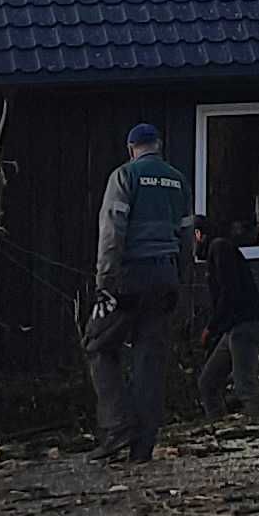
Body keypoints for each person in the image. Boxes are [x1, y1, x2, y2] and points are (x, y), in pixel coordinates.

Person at [84, 120, 194, 460]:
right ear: (158, 145)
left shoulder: (124, 176)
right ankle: (143, 445)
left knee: (98, 344)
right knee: (150, 360)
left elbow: (112, 231)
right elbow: (187, 237)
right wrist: (182, 278)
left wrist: (105, 280)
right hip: (165, 278)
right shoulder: (178, 180)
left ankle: (117, 427)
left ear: (132, 149)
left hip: (130, 278)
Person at [196, 211, 259, 416]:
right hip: (233, 327)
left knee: (245, 384)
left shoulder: (220, 248)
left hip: (244, 324)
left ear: (199, 235)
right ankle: (218, 428)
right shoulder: (217, 251)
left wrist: (211, 327)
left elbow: (229, 293)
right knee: (208, 382)